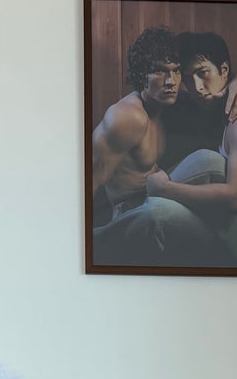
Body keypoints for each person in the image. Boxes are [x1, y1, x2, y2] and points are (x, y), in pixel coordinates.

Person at [91, 26, 227, 267]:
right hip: (132, 214)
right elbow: (88, 181)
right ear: (141, 74)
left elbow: (223, 84)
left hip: (154, 195)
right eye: (160, 71)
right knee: (159, 214)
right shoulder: (127, 117)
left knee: (211, 160)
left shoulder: (165, 105)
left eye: (176, 71)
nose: (171, 82)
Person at [145, 31, 237, 267]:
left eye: (202, 73)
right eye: (189, 78)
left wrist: (166, 189)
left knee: (158, 212)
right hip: (224, 226)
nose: (196, 87)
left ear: (224, 70)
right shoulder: (203, 107)